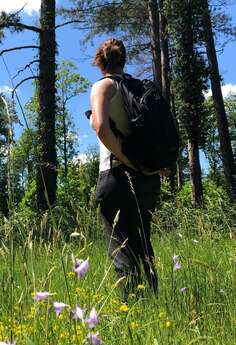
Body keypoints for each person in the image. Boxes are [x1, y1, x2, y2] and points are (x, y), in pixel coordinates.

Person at [89, 38, 161, 300]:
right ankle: (152, 308)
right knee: (143, 248)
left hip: (117, 175)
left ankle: (132, 316)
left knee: (122, 251)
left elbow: (99, 125)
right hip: (147, 181)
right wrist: (147, 165)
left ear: (99, 62)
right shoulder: (138, 88)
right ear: (124, 60)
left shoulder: (103, 86)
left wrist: (126, 160)